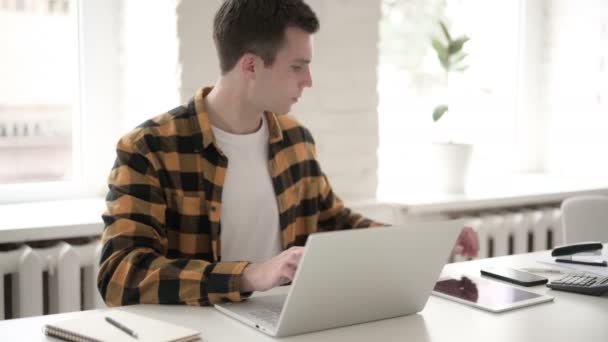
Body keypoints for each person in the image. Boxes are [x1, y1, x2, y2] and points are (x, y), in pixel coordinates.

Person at [98, 0, 478, 307]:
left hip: (282, 327)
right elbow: (119, 274)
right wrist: (250, 274)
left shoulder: (295, 140)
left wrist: (424, 243)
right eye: (297, 66)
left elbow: (333, 223)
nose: (308, 81)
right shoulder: (149, 148)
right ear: (250, 65)